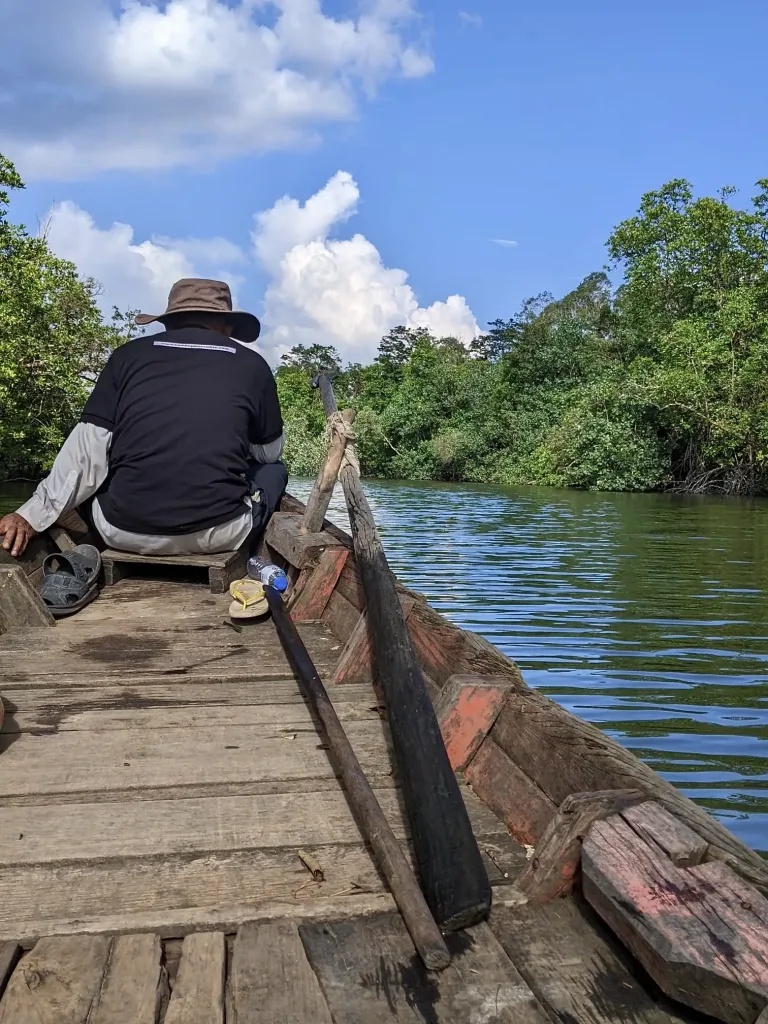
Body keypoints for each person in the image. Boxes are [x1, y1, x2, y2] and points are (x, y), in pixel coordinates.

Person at [0, 278, 288, 560]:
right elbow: (268, 452)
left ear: (168, 322)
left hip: (120, 531)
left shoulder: (126, 357)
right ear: (228, 325)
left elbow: (85, 454)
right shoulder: (253, 365)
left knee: (103, 472)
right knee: (273, 471)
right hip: (221, 533)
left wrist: (29, 516)